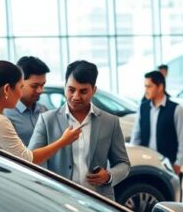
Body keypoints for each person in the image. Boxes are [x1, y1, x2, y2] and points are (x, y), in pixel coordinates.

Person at [29, 60, 131, 200]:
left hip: (99, 201)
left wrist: (108, 176)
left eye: (83, 91)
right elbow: (30, 159)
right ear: (65, 86)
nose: (76, 97)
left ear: (94, 90)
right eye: (71, 90)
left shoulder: (110, 122)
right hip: (59, 200)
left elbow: (123, 164)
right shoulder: (47, 120)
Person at [130, 70, 183, 176]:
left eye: (149, 86)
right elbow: (136, 136)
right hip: (146, 162)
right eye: (145, 86)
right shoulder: (142, 107)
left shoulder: (176, 109)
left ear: (160, 87)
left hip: (168, 164)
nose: (146, 90)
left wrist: (178, 164)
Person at [4, 55, 49, 144]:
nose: (40, 90)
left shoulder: (44, 110)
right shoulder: (6, 114)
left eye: (43, 85)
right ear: (19, 82)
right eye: (34, 86)